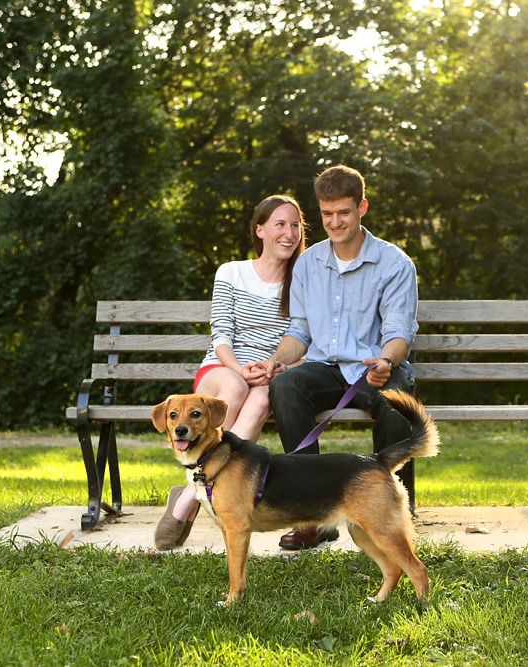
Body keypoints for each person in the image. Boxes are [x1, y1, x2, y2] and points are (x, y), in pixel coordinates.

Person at [258, 164, 418, 550]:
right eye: (326, 214)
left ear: (361, 207)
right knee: (286, 385)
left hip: (374, 368)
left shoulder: (394, 263)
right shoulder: (309, 263)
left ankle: (389, 511)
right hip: (326, 370)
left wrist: (386, 362)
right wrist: (278, 360)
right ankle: (315, 515)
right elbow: (299, 332)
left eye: (343, 212)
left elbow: (398, 331)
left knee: (396, 399)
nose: (334, 222)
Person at [154, 194, 307, 550]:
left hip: (272, 372)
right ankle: (198, 491)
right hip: (223, 367)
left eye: (296, 225)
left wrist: (279, 366)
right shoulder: (232, 271)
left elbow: (304, 338)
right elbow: (221, 333)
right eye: (280, 224)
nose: (289, 233)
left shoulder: (303, 280)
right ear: (260, 230)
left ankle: (190, 495)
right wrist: (239, 369)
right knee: (237, 392)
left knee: (257, 404)